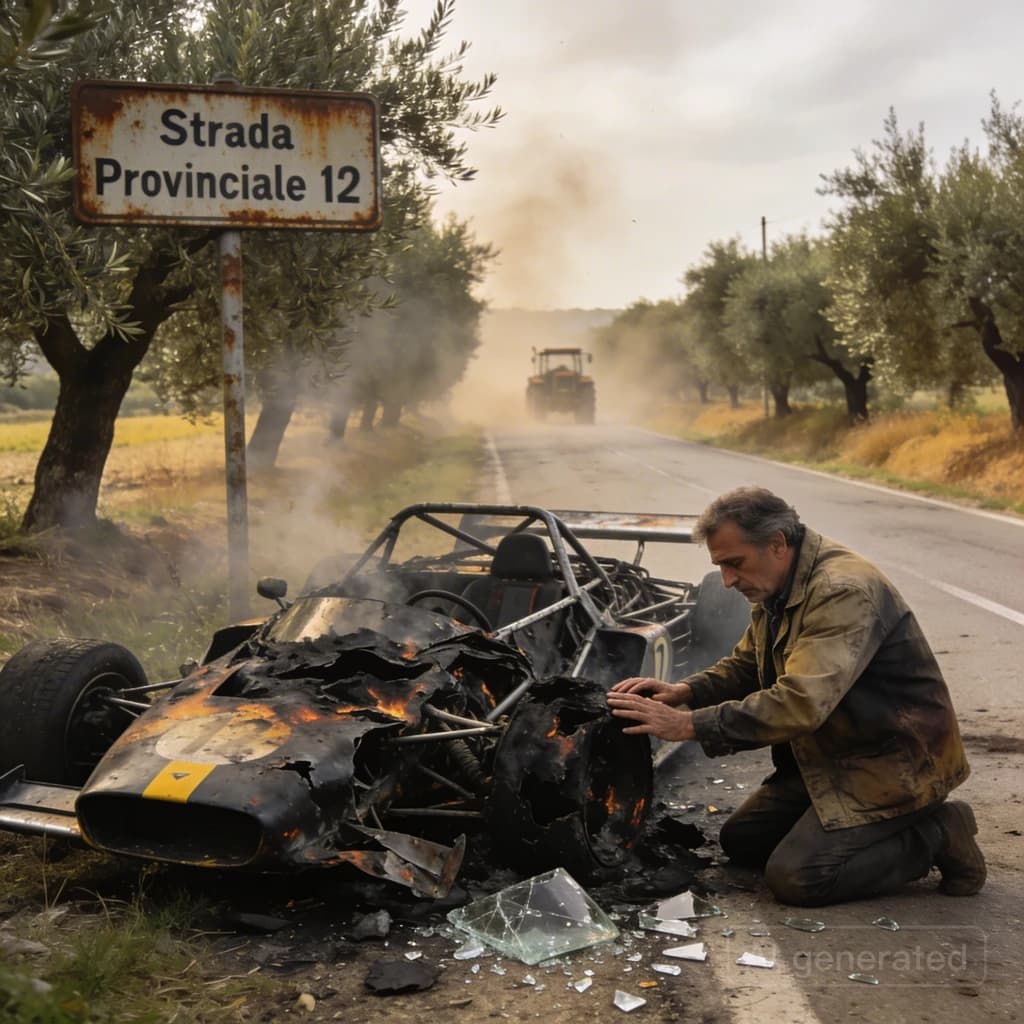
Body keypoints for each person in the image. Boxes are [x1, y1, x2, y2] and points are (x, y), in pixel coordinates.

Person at [607, 486, 985, 906]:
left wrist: (688, 724)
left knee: (799, 878)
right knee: (743, 842)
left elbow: (800, 703)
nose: (727, 581)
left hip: (892, 765)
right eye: (721, 566)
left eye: (734, 564)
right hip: (829, 758)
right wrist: (687, 691)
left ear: (777, 544)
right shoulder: (775, 582)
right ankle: (868, 830)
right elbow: (749, 662)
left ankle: (938, 832)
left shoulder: (841, 592)